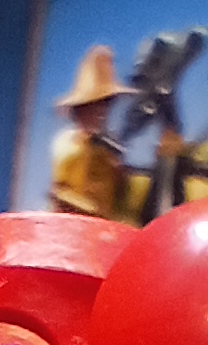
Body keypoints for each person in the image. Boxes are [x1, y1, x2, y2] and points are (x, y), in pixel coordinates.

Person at [49, 46, 136, 221]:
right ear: (80, 110)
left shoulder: (110, 148)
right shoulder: (68, 144)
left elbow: (118, 198)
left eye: (106, 104)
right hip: (72, 223)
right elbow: (61, 193)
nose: (101, 111)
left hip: (104, 226)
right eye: (95, 105)